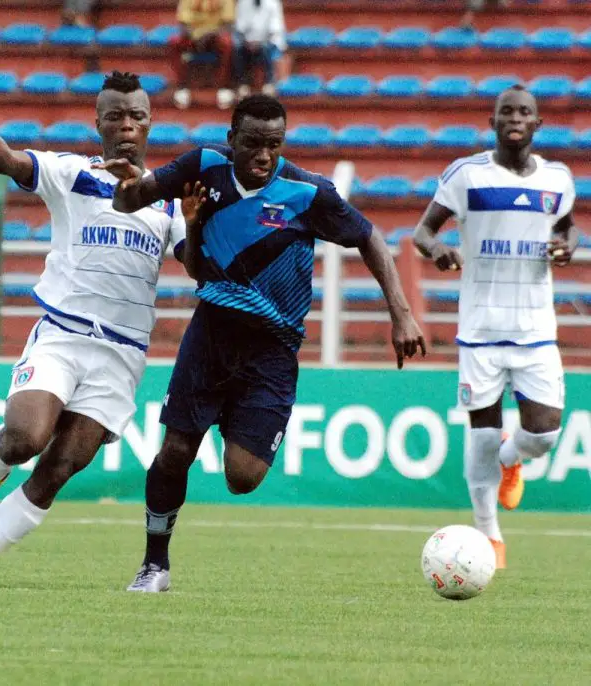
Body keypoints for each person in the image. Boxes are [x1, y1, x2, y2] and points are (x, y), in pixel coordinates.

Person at [95, 94, 426, 592]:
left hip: (272, 348)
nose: (264, 155)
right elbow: (129, 202)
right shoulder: (204, 166)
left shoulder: (307, 192)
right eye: (252, 143)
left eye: (274, 144)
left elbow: (368, 237)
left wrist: (401, 314)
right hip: (212, 334)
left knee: (243, 477)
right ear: (232, 139)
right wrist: (128, 188)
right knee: (175, 451)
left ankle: (235, 418)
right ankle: (154, 565)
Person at [0, 72, 192, 590]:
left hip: (122, 355)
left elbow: (196, 264)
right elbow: (11, 161)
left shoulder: (169, 201)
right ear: (98, 123)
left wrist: (199, 220)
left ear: (150, 123)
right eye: (115, 116)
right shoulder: (72, 174)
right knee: (25, 439)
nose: (127, 125)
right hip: (63, 334)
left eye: (137, 116)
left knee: (58, 468)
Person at [413, 84, 577, 569]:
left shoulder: (557, 179)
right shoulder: (467, 175)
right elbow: (423, 231)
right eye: (507, 111)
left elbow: (566, 227)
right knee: (482, 436)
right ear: (493, 122)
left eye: (525, 112)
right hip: (480, 332)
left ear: (537, 124)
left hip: (536, 331)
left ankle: (512, 457)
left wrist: (567, 246)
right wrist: (438, 250)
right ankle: (489, 536)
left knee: (544, 434)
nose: (515, 119)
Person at [171, 0, 235, 110]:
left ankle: (224, 86)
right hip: (192, 36)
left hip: (215, 35)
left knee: (227, 43)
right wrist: (195, 36)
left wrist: (208, 35)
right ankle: (182, 86)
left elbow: (228, 25)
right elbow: (183, 23)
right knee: (175, 42)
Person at [233, 0, 286, 99]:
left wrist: (259, 42)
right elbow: (240, 27)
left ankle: (269, 84)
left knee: (265, 49)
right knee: (238, 50)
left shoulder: (273, 3)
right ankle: (243, 85)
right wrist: (248, 42)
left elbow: (275, 29)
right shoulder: (243, 3)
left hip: (268, 40)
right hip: (248, 42)